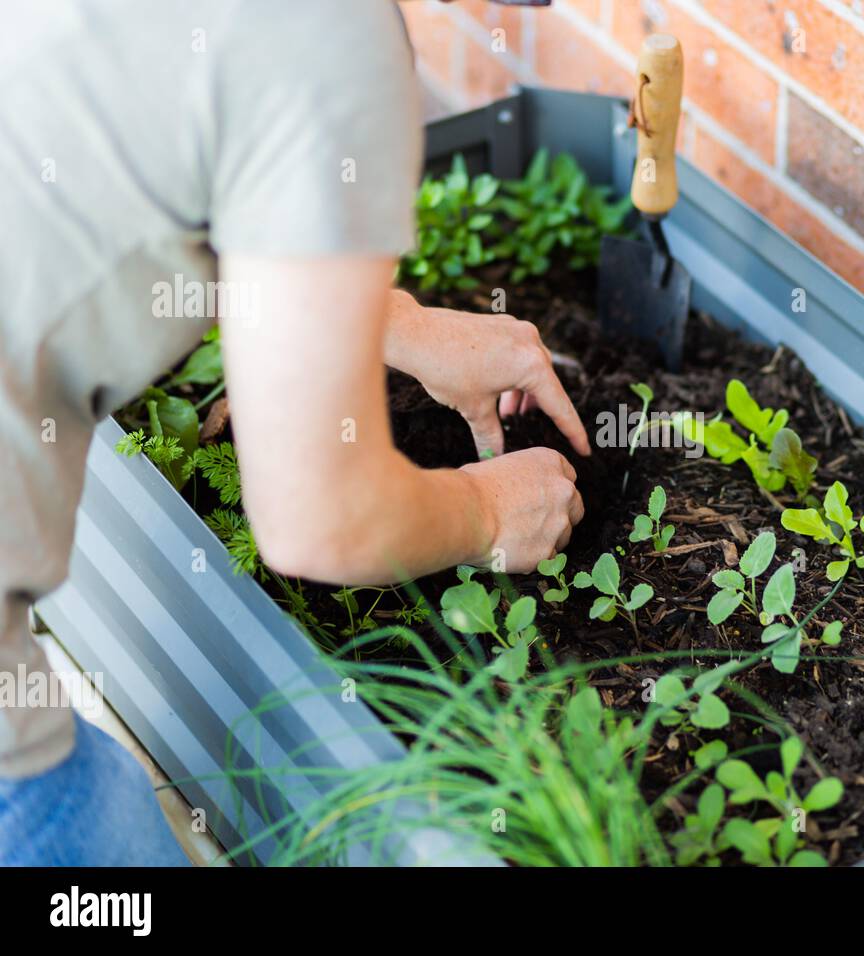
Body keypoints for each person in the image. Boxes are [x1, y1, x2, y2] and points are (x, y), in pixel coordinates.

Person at [0, 0, 576, 865]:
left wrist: (397, 324)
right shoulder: (331, 36)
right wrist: (489, 514)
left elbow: (157, 166)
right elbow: (320, 523)